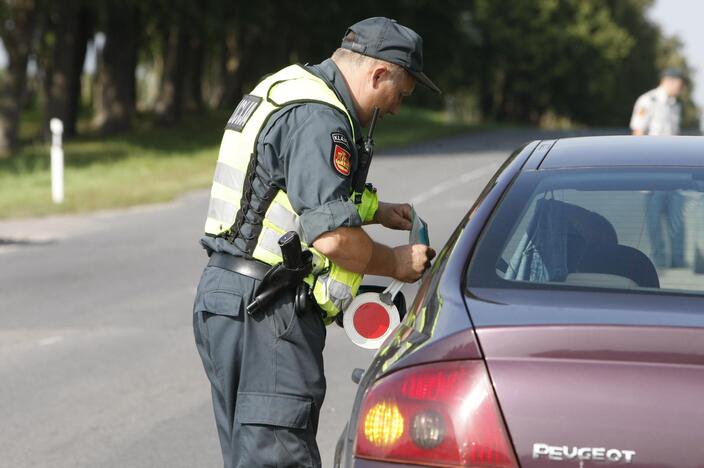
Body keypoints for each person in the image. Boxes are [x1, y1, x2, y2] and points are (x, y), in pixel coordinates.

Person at [192, 17, 438, 468]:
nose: (397, 108)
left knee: (252, 456)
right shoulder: (320, 117)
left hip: (229, 299)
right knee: (280, 458)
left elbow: (279, 190)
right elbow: (330, 237)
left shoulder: (289, 87)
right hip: (268, 311)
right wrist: (396, 263)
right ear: (377, 74)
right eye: (398, 95)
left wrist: (376, 212)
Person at [630, 67, 686, 268]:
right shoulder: (648, 101)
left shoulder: (675, 105)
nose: (681, 86)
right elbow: (638, 134)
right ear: (669, 81)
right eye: (680, 82)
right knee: (653, 221)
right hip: (652, 172)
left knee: (677, 217)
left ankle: (678, 262)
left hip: (673, 172)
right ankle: (659, 261)